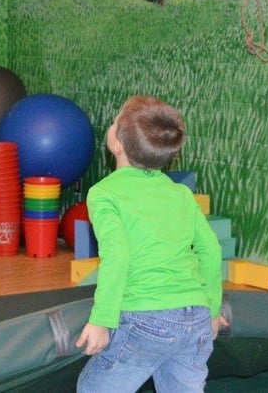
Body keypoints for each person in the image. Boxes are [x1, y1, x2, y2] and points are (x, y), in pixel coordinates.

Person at [75, 95, 225, 393]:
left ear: (117, 141)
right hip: (195, 318)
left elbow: (117, 255)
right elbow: (211, 250)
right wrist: (212, 310)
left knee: (93, 388)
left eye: (115, 119)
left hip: (145, 317)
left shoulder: (104, 193)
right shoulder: (180, 193)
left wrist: (101, 320)